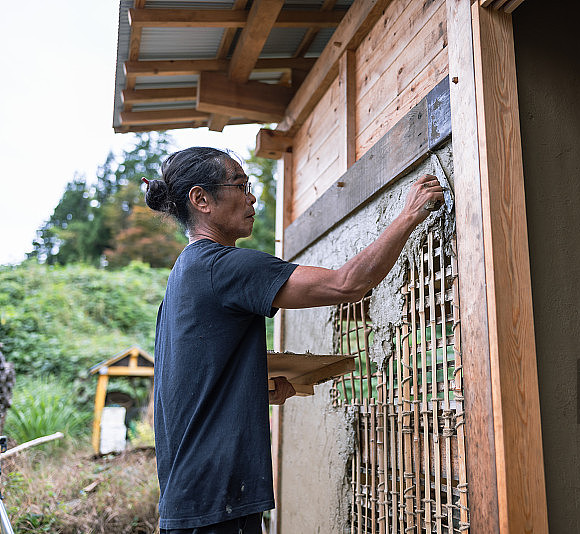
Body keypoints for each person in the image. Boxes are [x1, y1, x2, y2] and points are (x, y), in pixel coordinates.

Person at [144, 147, 444, 533]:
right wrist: (409, 215)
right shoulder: (222, 266)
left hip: (192, 501)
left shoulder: (183, 276)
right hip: (218, 504)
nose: (251, 196)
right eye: (240, 185)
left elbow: (192, 381)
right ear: (201, 199)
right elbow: (346, 284)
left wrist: (251, 389)